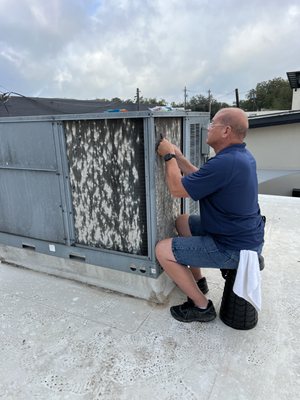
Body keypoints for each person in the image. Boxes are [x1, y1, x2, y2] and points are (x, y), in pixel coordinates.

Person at [155, 107, 264, 323]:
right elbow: (200, 177)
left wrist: (168, 157)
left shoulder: (226, 162)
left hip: (232, 247)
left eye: (212, 124)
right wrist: (179, 156)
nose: (208, 127)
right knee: (182, 221)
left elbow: (177, 190)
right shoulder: (239, 156)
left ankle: (201, 307)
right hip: (241, 236)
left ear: (226, 131)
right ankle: (199, 281)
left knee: (162, 250)